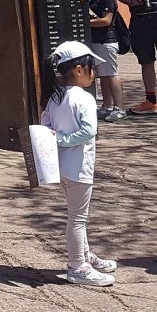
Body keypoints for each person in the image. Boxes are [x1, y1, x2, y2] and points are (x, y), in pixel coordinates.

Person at [41, 40, 118, 286]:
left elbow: (44, 127)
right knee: (77, 218)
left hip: (61, 167)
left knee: (76, 214)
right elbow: (88, 131)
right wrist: (63, 141)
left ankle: (84, 256)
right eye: (91, 67)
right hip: (78, 167)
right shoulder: (83, 98)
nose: (94, 73)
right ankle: (78, 266)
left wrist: (56, 140)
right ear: (78, 70)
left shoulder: (54, 98)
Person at [86, 0, 126, 121]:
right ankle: (107, 106)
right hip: (97, 40)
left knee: (111, 73)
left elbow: (106, 20)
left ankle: (119, 107)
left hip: (106, 40)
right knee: (103, 74)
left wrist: (87, 22)